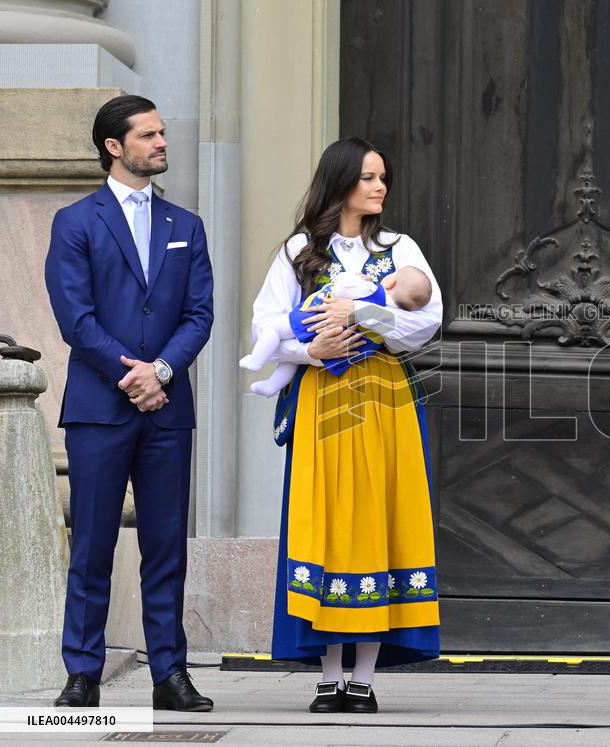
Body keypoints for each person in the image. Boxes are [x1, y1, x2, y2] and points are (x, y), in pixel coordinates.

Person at [250, 136, 442, 714]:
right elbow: (267, 324)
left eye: (383, 177)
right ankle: (328, 673)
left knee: (383, 518)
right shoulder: (297, 252)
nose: (379, 187)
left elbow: (426, 321)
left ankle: (365, 675)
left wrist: (361, 313)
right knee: (327, 520)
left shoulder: (400, 247)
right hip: (324, 397)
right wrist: (316, 348)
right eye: (367, 178)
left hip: (386, 397)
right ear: (340, 183)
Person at [44, 95, 215, 711]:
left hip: (168, 410)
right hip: (99, 409)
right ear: (114, 146)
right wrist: (133, 376)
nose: (161, 142)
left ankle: (169, 675)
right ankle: (82, 674)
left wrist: (162, 371)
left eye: (163, 132)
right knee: (90, 545)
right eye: (148, 135)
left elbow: (200, 315)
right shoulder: (76, 221)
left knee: (165, 548)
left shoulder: (185, 226)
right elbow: (75, 318)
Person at [240, 266, 432, 396]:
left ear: (390, 283)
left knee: (277, 330)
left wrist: (356, 304)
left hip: (313, 326)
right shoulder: (396, 312)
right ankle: (271, 385)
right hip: (340, 363)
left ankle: (258, 363)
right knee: (292, 358)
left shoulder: (370, 286)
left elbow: (341, 288)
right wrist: (309, 352)